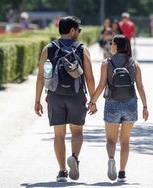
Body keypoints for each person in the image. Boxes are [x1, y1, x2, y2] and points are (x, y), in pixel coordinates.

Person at [34, 16, 95, 182]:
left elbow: (41, 76)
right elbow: (89, 78)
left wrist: (37, 100)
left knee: (59, 135)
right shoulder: (82, 49)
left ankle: (62, 172)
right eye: (78, 30)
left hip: (54, 95)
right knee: (77, 132)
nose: (79, 33)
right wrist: (93, 100)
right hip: (76, 96)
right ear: (72, 30)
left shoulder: (48, 48)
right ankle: (74, 157)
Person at [87, 34, 149, 182]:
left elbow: (102, 85)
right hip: (131, 104)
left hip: (112, 103)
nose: (110, 45)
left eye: (112, 43)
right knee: (125, 141)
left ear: (116, 46)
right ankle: (122, 173)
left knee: (110, 140)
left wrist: (92, 102)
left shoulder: (106, 63)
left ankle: (111, 159)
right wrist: (145, 106)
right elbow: (140, 86)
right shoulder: (134, 63)